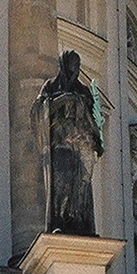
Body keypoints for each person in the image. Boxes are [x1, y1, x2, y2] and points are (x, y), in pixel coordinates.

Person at [33, 51, 103, 235]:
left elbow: (93, 119)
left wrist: (96, 139)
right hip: (61, 145)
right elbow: (38, 110)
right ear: (64, 66)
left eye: (77, 67)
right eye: (72, 67)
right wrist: (62, 99)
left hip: (81, 146)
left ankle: (78, 222)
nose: (75, 71)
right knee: (62, 183)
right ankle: (60, 221)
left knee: (80, 187)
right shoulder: (51, 86)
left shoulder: (83, 90)